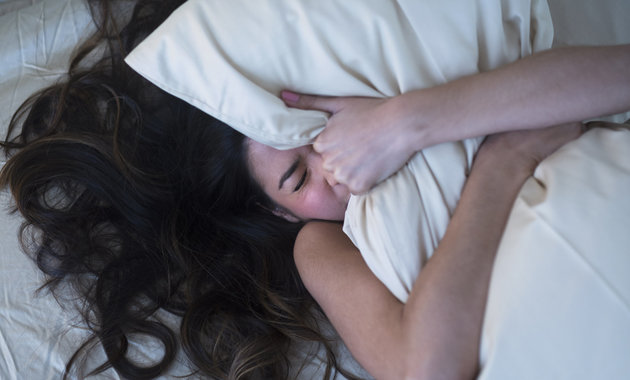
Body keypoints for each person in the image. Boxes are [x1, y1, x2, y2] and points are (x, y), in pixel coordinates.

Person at [1, 1, 629, 380]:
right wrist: (503, 160)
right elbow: (426, 370)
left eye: (326, 133)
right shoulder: (322, 246)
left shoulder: (432, 96)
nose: (336, 165)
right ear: (275, 210)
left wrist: (409, 121)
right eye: (299, 177)